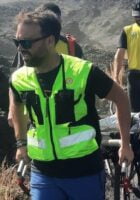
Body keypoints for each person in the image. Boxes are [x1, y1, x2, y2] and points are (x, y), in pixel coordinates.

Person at [10, 10, 133, 200]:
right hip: (43, 173)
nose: (20, 49)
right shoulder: (19, 79)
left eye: (26, 43)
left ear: (50, 41)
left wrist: (125, 144)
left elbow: (121, 99)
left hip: (84, 173)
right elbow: (16, 106)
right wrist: (21, 144)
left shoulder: (82, 71)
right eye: (17, 42)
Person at [8, 3, 83, 127]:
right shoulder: (26, 46)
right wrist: (12, 108)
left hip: (67, 109)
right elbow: (16, 82)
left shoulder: (71, 46)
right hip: (36, 107)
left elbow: (83, 78)